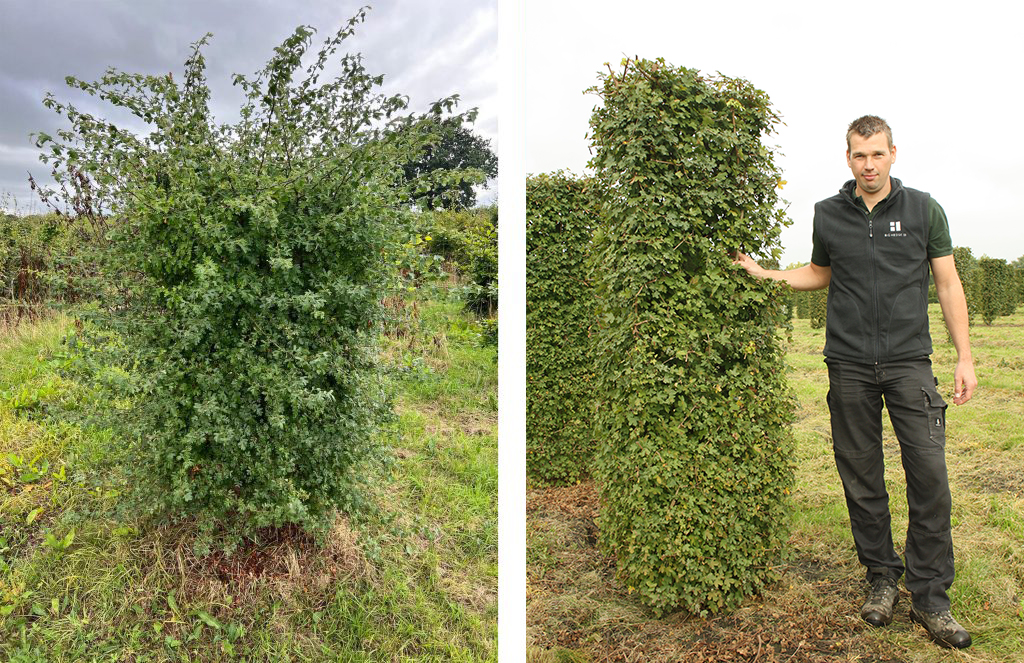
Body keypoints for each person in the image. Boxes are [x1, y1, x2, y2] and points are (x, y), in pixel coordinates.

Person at [734, 115, 977, 650]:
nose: (869, 165)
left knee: (930, 476)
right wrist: (767, 275)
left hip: (910, 362)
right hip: (847, 364)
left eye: (877, 154)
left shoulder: (923, 209)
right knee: (861, 477)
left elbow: (947, 280)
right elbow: (821, 272)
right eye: (859, 156)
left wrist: (965, 356)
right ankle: (882, 578)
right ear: (847, 158)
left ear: (893, 153)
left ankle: (932, 598)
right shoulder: (828, 213)